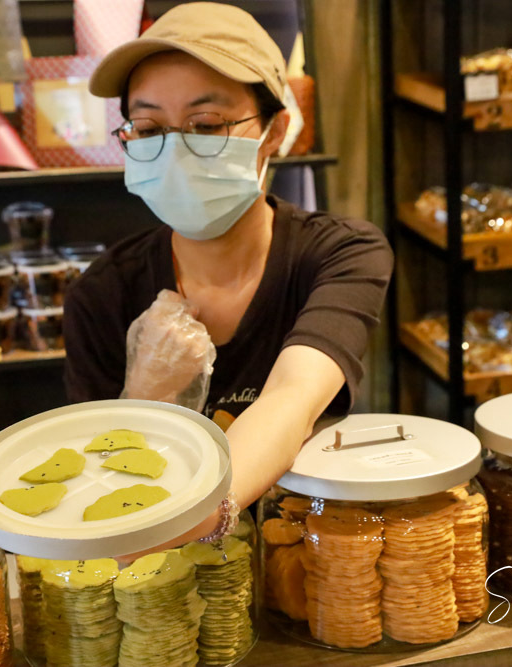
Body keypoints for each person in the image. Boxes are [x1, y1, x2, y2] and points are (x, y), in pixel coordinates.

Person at [65, 2, 393, 547]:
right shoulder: (101, 294)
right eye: (147, 128)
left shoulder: (342, 254)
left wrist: (196, 522)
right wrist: (145, 396)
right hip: (154, 582)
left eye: (207, 124)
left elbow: (292, 400)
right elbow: (94, 487)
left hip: (311, 549)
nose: (173, 150)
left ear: (273, 131)